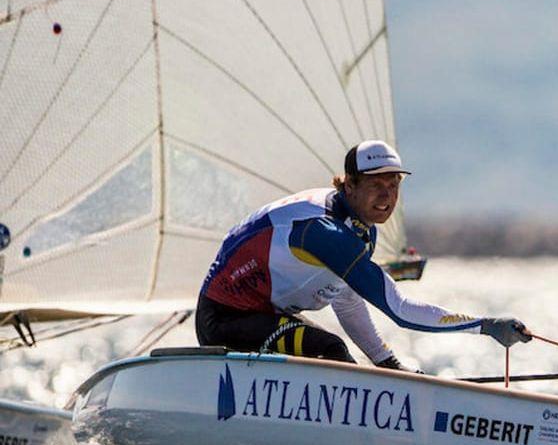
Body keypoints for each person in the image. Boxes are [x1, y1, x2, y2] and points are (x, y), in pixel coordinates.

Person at [195, 140, 528, 370]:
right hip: (224, 321)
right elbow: (401, 311)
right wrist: (485, 325)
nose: (387, 196)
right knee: (331, 350)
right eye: (376, 186)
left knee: (337, 355)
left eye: (394, 185)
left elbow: (347, 301)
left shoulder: (360, 228)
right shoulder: (325, 232)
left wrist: (388, 364)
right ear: (349, 186)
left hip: (264, 316)